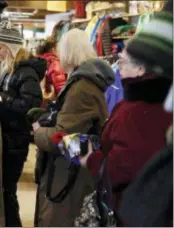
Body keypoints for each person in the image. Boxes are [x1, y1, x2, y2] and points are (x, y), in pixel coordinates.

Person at [80, 11, 173, 225]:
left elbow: (128, 164)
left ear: (141, 68)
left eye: (122, 64)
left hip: (136, 211)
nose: (118, 71)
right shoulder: (143, 103)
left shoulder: (139, 111)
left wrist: (93, 160)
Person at [32, 28, 115, 227]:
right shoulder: (87, 82)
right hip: (77, 167)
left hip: (70, 173)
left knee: (62, 219)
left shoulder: (81, 86)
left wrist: (38, 131)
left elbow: (63, 137)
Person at [0, 20, 46, 227]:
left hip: (15, 138)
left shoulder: (26, 72)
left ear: (10, 48)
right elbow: (1, 94)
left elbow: (30, 106)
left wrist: (0, 97)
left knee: (7, 189)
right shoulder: (9, 69)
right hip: (5, 135)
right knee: (3, 188)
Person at [36, 37, 66, 103]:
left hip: (40, 101)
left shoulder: (39, 61)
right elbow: (61, 90)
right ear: (53, 49)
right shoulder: (55, 64)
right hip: (51, 102)